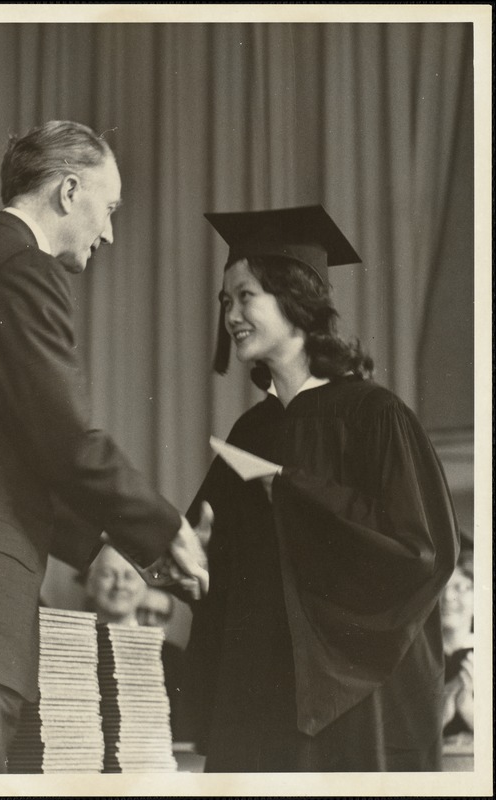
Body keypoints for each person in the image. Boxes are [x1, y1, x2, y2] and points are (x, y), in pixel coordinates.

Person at [0, 120, 211, 774]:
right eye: (107, 209)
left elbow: (8, 459)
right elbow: (67, 441)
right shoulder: (18, 267)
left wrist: (109, 545)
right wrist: (167, 530)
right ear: (67, 190)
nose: (109, 232)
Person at [184, 205, 460, 772]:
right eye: (225, 302)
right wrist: (187, 556)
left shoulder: (374, 415)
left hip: (354, 700)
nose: (230, 315)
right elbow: (211, 558)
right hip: (259, 696)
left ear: (296, 302)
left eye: (245, 297)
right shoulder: (251, 432)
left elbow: (421, 550)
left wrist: (289, 486)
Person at [138, 587, 194, 742]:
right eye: (143, 612)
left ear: (167, 625)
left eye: (160, 616)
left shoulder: (177, 659)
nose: (150, 621)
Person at [441, 557, 474, 737]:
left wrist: (467, 707)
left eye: (459, 587)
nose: (447, 597)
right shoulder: (416, 658)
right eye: (440, 587)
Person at [82, 544, 148, 626]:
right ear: (90, 583)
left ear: (144, 586)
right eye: (108, 574)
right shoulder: (70, 638)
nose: (119, 585)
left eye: (129, 576)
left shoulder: (157, 639)